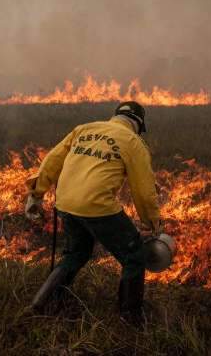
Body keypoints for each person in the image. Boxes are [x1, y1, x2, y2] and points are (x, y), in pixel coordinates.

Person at [24, 101, 161, 325]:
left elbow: (52, 160)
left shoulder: (83, 129)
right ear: (138, 123)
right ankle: (130, 317)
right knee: (134, 255)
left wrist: (36, 194)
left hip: (66, 202)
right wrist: (152, 224)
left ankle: (41, 302)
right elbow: (144, 191)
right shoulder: (133, 142)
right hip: (98, 206)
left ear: (116, 116)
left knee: (76, 254)